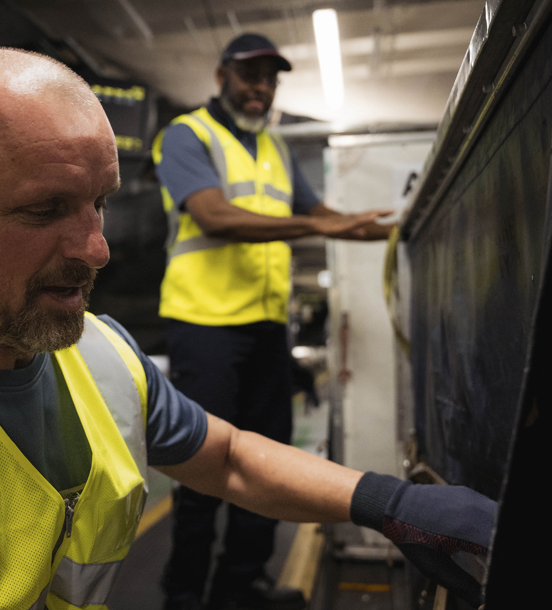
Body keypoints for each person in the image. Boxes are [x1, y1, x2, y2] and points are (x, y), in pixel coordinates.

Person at [0, 48, 495, 610]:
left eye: (97, 203)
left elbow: (225, 458)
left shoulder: (101, 353)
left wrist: (390, 503)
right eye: (43, 210)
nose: (94, 247)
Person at [153, 34, 396, 610]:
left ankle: (242, 585)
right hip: (204, 324)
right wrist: (322, 228)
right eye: (250, 75)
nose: (260, 86)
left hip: (265, 327)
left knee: (269, 458)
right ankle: (184, 596)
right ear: (222, 77)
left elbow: (329, 217)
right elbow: (214, 217)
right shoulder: (188, 135)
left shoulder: (278, 151)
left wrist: (398, 226)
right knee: (202, 464)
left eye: (270, 77)